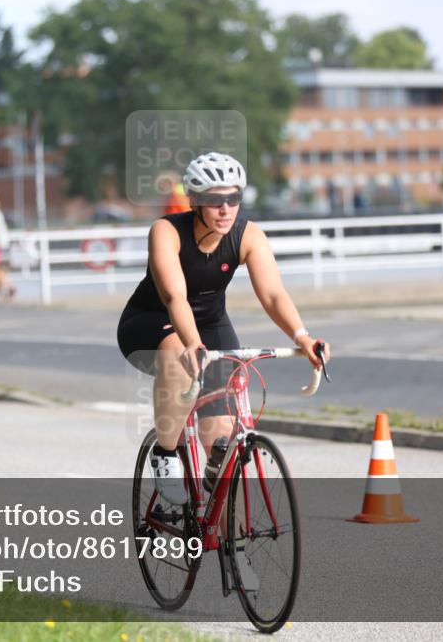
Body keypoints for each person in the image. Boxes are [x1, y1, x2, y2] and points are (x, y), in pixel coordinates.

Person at [117, 152, 331, 506]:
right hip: (151, 321)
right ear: (196, 201)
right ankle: (166, 453)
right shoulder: (166, 231)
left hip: (211, 323)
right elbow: (174, 297)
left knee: (220, 431)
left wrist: (302, 336)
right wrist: (192, 343)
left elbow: (274, 294)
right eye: (215, 201)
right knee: (176, 357)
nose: (225, 209)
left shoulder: (248, 235)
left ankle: (219, 512)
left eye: (233, 199)